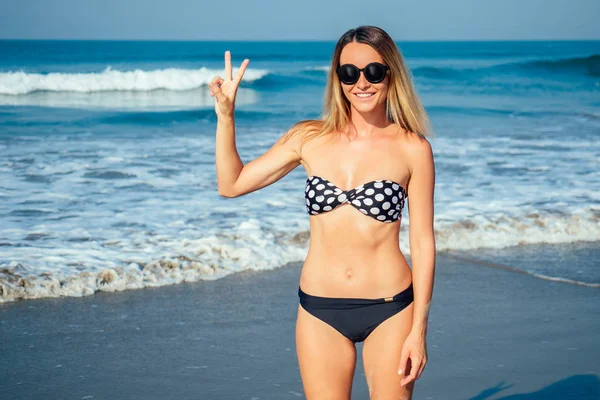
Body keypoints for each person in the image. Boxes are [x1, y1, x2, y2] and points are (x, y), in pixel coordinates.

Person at [210, 25, 435, 400]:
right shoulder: (308, 138)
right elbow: (231, 184)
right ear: (337, 78)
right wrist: (225, 116)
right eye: (349, 72)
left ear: (391, 73)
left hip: (391, 308)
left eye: (373, 71)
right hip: (319, 310)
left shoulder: (413, 148)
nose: (361, 82)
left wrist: (419, 330)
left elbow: (423, 242)